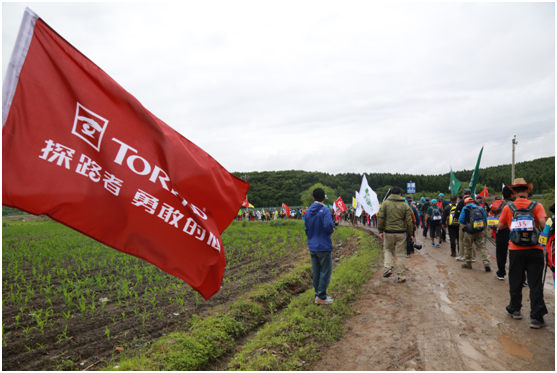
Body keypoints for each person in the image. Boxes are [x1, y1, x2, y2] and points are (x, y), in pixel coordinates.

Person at [497, 178, 548, 328]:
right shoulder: (537, 206)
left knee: (516, 280)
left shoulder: (508, 207)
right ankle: (536, 317)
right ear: (527, 191)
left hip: (515, 250)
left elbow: (500, 226)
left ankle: (515, 310)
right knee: (535, 283)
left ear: (513, 192)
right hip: (535, 250)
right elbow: (544, 225)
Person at [305, 187, 335, 305]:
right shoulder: (325, 210)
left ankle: (318, 294)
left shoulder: (307, 212)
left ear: (313, 198)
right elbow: (328, 226)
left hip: (312, 246)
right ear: (324, 198)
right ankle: (321, 296)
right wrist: (331, 229)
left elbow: (306, 229)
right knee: (325, 271)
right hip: (323, 245)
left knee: (316, 271)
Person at [378, 186, 414, 283]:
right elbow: (409, 221)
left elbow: (381, 218)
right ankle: (401, 276)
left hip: (388, 232)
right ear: (400, 194)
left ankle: (388, 268)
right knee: (401, 254)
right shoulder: (405, 205)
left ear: (390, 194)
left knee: (388, 250)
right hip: (401, 233)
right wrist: (410, 234)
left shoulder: (385, 204)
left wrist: (380, 231)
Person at [459, 196, 491, 271]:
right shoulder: (480, 208)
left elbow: (461, 220)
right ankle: (486, 262)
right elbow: (486, 218)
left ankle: (468, 264)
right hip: (479, 231)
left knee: (468, 247)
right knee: (482, 247)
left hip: (469, 232)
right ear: (473, 202)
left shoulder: (465, 208)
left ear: (465, 203)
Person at [492, 186, 514, 280]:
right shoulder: (515, 205)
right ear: (511, 194)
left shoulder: (500, 204)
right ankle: (520, 277)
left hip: (501, 231)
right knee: (515, 253)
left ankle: (501, 273)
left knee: (501, 253)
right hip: (514, 231)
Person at [455, 189, 476, 262]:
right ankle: (473, 257)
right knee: (472, 240)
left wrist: (459, 220)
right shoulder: (474, 201)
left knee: (461, 239)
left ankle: (461, 255)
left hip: (463, 223)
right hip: (473, 223)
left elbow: (456, 213)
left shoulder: (461, 202)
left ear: (463, 194)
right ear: (470, 194)